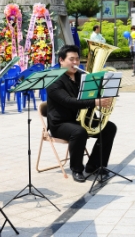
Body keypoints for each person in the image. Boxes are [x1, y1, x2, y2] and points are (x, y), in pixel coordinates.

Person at [46, 45, 116, 182]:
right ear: (61, 60)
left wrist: (106, 93)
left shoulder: (84, 76)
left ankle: (95, 165)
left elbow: (93, 95)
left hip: (80, 119)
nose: (75, 63)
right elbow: (68, 101)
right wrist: (95, 102)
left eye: (77, 59)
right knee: (79, 132)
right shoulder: (53, 80)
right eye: (71, 59)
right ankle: (77, 169)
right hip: (61, 123)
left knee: (109, 128)